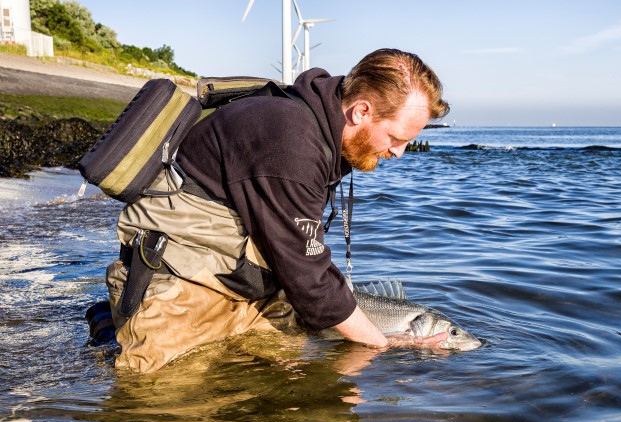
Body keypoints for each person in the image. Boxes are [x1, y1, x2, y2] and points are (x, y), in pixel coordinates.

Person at [104, 48, 451, 373]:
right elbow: (308, 278)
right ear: (361, 111)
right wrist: (381, 344)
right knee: (157, 408)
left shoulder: (322, 126)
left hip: (236, 280)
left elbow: (303, 251)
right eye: (395, 137)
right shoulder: (292, 141)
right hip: (176, 283)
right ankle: (111, 327)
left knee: (286, 383)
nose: (401, 152)